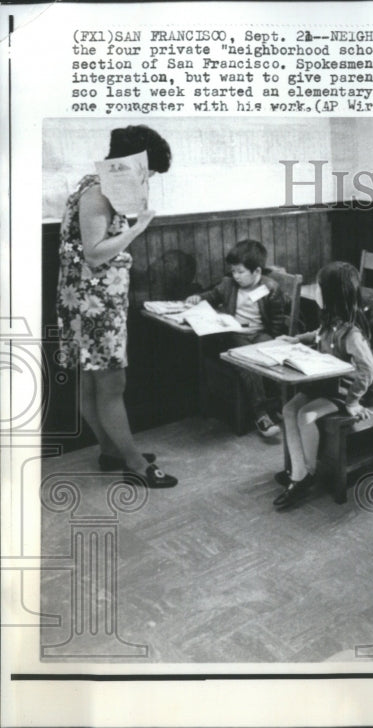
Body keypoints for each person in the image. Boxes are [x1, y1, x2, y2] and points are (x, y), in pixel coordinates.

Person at [56, 124, 177, 488]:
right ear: (134, 163)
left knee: (94, 383)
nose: (150, 178)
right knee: (110, 383)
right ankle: (136, 463)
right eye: (150, 171)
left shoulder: (95, 185)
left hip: (90, 301)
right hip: (94, 305)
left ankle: (111, 451)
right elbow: (94, 254)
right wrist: (138, 228)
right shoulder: (98, 194)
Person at [272, 262, 373, 509]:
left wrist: (353, 400)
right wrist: (296, 339)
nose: (315, 293)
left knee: (305, 415)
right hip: (325, 384)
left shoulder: (351, 332)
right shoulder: (331, 319)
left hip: (345, 390)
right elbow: (318, 334)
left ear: (332, 295)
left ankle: (303, 476)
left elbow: (369, 369)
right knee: (289, 409)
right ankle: (298, 472)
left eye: (319, 288)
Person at [185, 239, 288, 438]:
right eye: (233, 271)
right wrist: (198, 297)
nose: (236, 276)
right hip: (235, 335)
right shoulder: (229, 284)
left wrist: (273, 342)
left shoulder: (270, 288)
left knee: (273, 356)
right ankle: (261, 415)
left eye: (240, 271)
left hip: (260, 334)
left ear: (257, 271)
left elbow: (276, 321)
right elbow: (213, 295)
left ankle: (281, 405)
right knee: (248, 364)